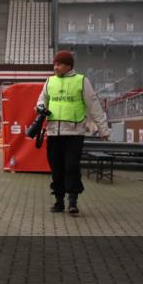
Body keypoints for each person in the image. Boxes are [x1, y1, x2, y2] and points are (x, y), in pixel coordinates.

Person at [36, 50, 109, 216]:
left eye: (59, 64)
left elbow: (94, 106)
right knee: (56, 169)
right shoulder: (49, 82)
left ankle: (73, 202)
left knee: (71, 167)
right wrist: (40, 106)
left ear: (69, 65)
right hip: (54, 133)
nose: (56, 67)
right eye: (54, 64)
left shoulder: (82, 81)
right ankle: (59, 201)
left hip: (74, 134)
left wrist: (103, 128)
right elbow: (41, 100)